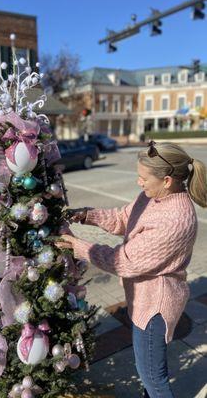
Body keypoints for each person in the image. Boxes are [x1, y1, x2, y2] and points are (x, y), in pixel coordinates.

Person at [56, 141, 207, 398]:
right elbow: (123, 218)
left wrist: (79, 247)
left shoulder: (176, 219)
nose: (139, 182)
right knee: (150, 372)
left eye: (143, 177)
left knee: (154, 379)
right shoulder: (154, 196)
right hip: (143, 298)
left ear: (167, 180)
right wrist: (86, 215)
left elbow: (124, 261)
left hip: (154, 307)